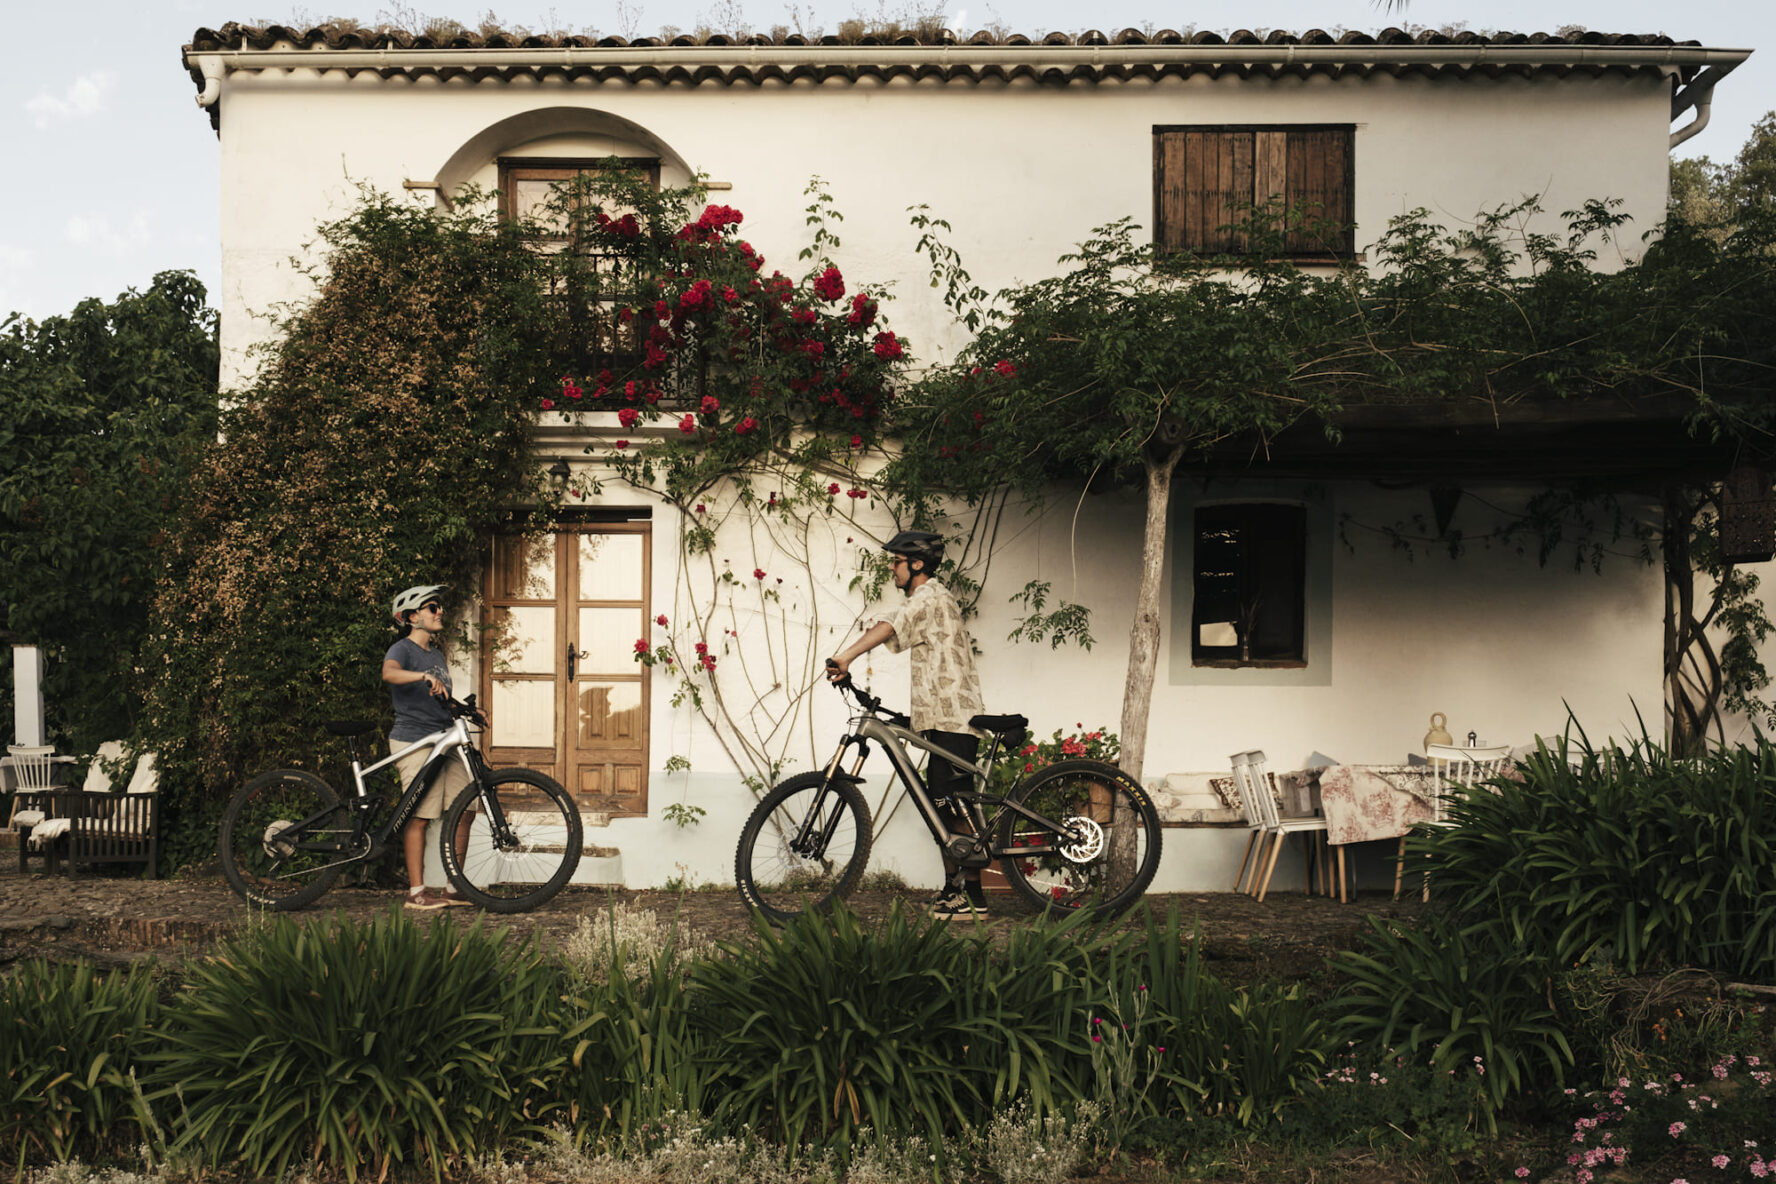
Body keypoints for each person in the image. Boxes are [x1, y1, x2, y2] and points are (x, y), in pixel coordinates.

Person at [826, 531, 988, 920]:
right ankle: (955, 890)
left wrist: (845, 656)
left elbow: (891, 624)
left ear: (916, 564)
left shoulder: (930, 596)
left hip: (953, 717)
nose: (891, 570)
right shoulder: (933, 600)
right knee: (942, 807)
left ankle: (975, 897)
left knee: (954, 805)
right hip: (941, 716)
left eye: (895, 562)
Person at [382, 584, 474, 911]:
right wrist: (420, 675)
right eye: (433, 607)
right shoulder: (403, 649)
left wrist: (468, 710)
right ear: (412, 616)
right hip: (415, 740)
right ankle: (416, 891)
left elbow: (439, 698)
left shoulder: (436, 655)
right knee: (419, 815)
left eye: (439, 607)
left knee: (467, 808)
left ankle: (454, 887)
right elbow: (388, 673)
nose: (440, 612)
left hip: (444, 736)